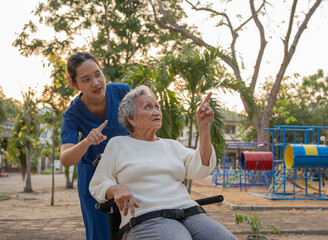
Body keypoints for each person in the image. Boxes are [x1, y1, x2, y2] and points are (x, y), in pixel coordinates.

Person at [89, 85, 237, 240]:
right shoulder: (118, 144)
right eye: (148, 107)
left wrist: (203, 126)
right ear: (131, 118)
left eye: (157, 107)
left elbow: (202, 167)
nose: (156, 111)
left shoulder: (173, 145)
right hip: (147, 218)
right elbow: (98, 183)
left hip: (190, 213)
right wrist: (115, 189)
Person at [60, 52, 131, 240]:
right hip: (94, 183)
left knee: (136, 231)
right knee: (101, 235)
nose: (96, 82)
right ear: (74, 85)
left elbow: (144, 126)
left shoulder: (123, 92)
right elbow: (66, 158)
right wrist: (87, 141)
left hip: (128, 176)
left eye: (98, 74)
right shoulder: (72, 114)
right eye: (86, 79)